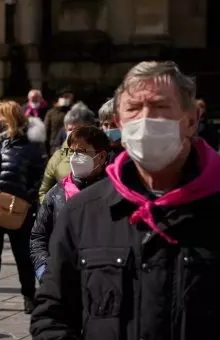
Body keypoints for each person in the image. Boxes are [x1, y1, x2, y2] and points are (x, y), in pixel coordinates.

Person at [30, 61, 220, 340]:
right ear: (118, 123)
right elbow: (52, 314)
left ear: (192, 119)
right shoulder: (84, 211)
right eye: (134, 109)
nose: (145, 119)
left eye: (160, 106)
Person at [0, 101, 47, 314]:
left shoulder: (29, 146)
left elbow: (40, 175)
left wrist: (28, 197)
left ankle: (29, 297)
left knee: (22, 255)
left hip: (18, 208)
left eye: (0, 117)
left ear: (11, 119)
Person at [30, 126, 110, 281]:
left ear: (101, 157)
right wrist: (43, 270)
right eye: (71, 152)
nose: (74, 157)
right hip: (63, 278)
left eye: (82, 152)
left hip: (103, 279)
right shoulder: (56, 193)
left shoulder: (114, 192)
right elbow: (38, 237)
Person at [38, 104, 96, 202]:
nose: (73, 134)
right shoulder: (58, 156)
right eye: (70, 129)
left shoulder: (100, 154)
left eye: (78, 129)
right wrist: (53, 210)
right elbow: (44, 191)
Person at [43, 88, 75, 154]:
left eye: (69, 97)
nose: (67, 99)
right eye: (65, 96)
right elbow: (46, 130)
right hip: (55, 146)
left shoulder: (74, 112)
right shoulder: (51, 113)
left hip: (72, 145)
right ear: (59, 98)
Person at [98, 98, 124, 163]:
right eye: (106, 125)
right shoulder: (100, 153)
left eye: (114, 125)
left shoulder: (133, 156)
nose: (109, 129)